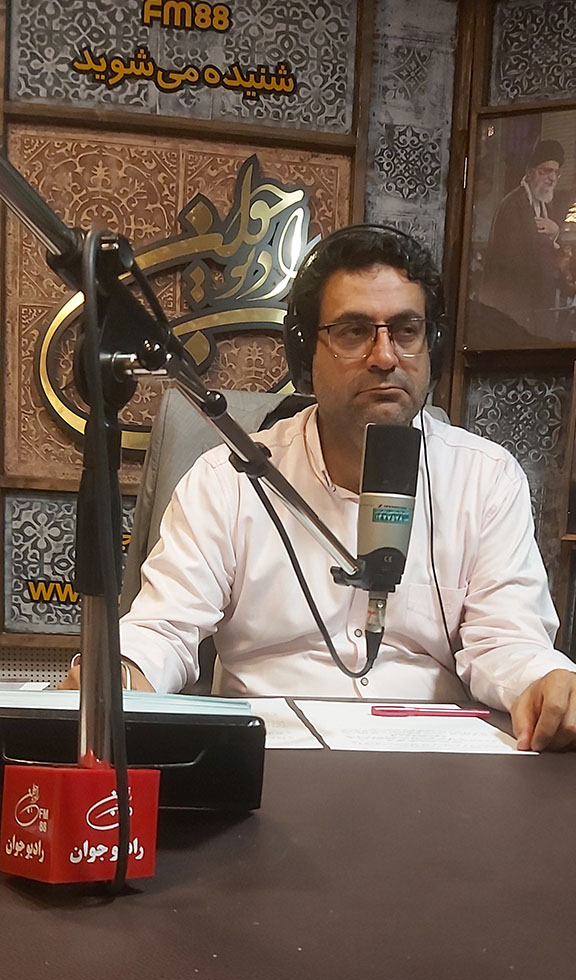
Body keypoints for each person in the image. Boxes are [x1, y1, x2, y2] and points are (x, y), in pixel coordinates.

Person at [62, 224, 576, 750]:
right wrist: (121, 672)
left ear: (432, 348)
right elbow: (164, 628)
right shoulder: (229, 479)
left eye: (406, 330)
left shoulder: (485, 479)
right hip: (270, 758)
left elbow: (507, 640)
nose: (385, 356)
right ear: (304, 353)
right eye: (354, 331)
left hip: (432, 762)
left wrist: (543, 682)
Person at [481, 139, 565, 338]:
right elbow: (511, 266)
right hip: (518, 310)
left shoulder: (544, 204)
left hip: (539, 308)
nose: (552, 179)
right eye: (546, 171)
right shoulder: (513, 206)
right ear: (530, 173)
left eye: (556, 172)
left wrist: (555, 232)